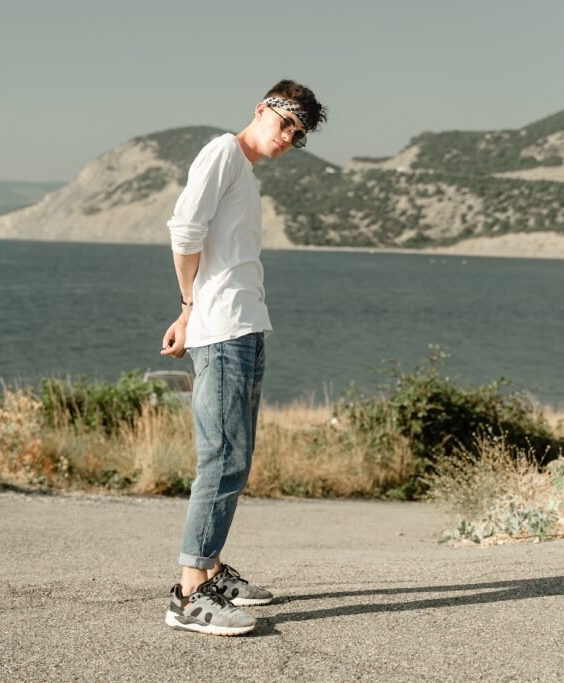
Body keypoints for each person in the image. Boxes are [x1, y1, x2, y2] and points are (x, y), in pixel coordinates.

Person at [159, 79, 327, 636]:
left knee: (236, 456)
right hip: (224, 331)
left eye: (299, 134)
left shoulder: (245, 173)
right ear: (261, 109)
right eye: (286, 123)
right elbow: (185, 230)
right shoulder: (223, 152)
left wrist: (189, 314)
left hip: (245, 328)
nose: (289, 137)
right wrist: (189, 308)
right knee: (223, 458)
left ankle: (210, 571)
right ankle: (190, 594)